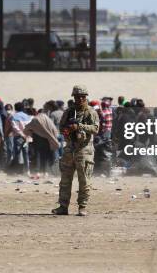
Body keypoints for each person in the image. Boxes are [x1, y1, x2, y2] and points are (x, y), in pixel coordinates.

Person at [52, 85, 99, 217]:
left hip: (84, 150)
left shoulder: (91, 112)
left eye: (82, 97)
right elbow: (61, 127)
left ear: (86, 97)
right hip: (70, 149)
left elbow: (95, 129)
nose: (80, 99)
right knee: (65, 180)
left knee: (84, 181)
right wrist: (67, 129)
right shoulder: (68, 112)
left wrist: (79, 126)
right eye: (77, 97)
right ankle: (63, 206)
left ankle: (82, 207)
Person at [8, 102, 32, 176]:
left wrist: (22, 134)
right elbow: (30, 127)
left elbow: (15, 127)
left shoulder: (14, 116)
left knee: (17, 153)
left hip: (19, 137)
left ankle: (18, 170)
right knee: (25, 153)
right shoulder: (27, 116)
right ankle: (27, 170)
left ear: (15, 108)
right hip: (26, 137)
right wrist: (26, 135)